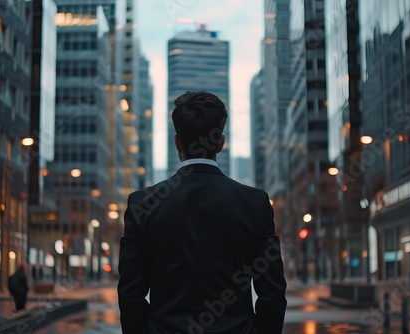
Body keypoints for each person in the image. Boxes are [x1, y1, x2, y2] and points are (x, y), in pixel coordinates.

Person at [118, 91, 287, 334]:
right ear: (221, 142)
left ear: (177, 142)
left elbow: (130, 294)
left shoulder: (142, 204)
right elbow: (272, 293)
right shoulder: (255, 203)